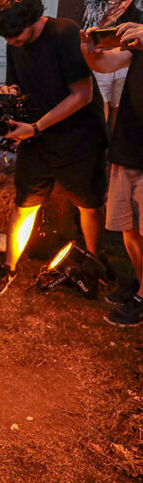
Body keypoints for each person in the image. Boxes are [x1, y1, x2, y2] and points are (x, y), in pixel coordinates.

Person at [0, 0, 107, 295]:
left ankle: (93, 265)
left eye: (15, 36)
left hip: (78, 135)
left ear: (33, 21)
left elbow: (83, 94)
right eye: (7, 38)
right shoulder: (15, 41)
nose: (11, 42)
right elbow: (17, 83)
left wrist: (36, 127)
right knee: (24, 203)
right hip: (37, 135)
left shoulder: (64, 34)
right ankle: (9, 266)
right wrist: (9, 92)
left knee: (88, 205)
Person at [81, 22, 143, 325]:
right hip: (129, 145)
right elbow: (107, 63)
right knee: (128, 227)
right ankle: (141, 285)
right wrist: (90, 53)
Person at [82, 0, 143, 133]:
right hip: (106, 58)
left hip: (127, 65)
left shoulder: (138, 2)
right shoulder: (93, 6)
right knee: (100, 110)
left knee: (121, 111)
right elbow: (87, 36)